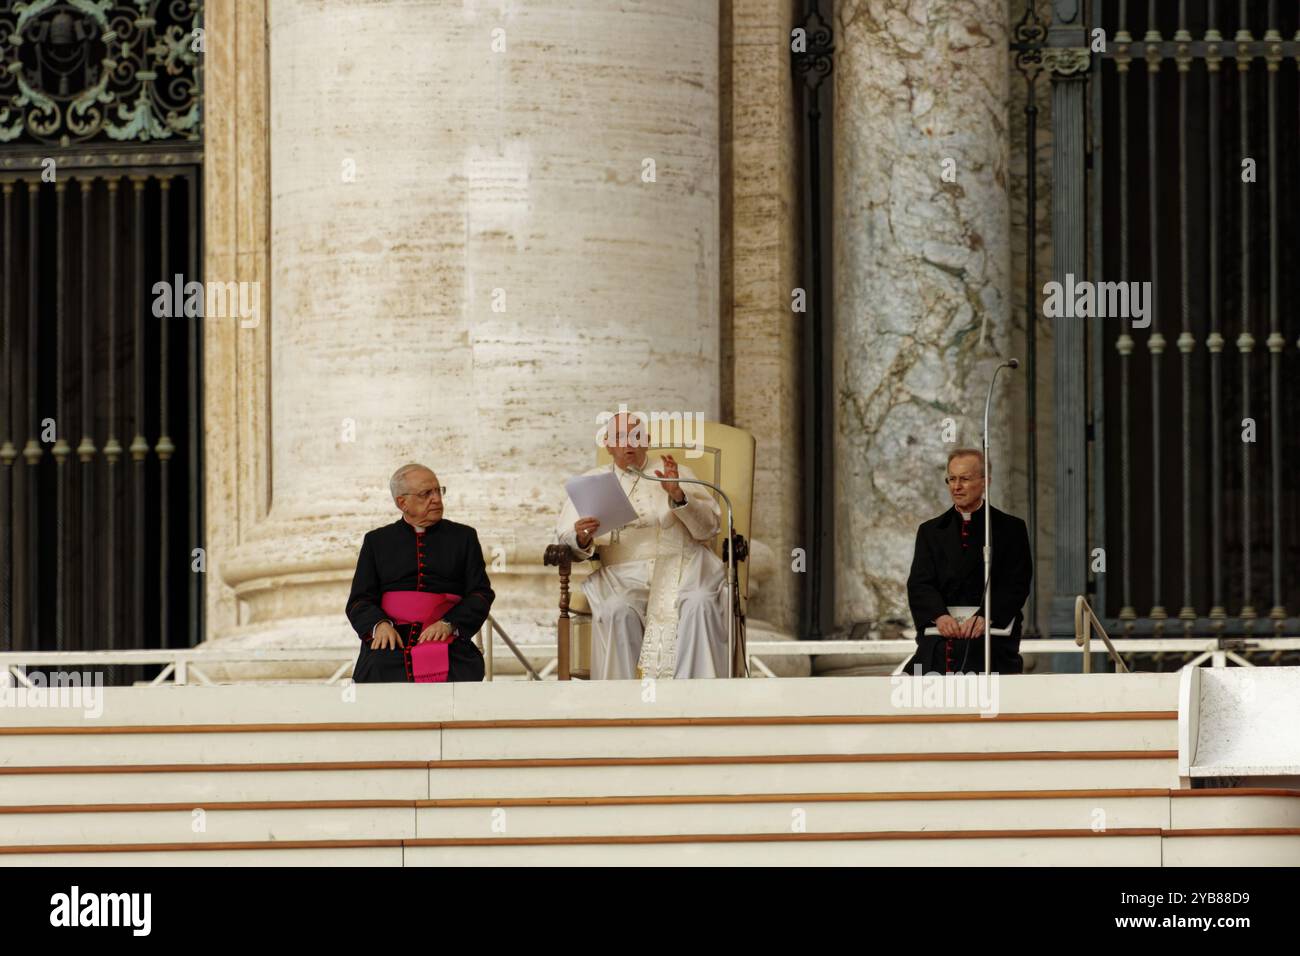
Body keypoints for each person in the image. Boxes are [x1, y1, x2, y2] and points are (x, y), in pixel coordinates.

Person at [555, 412, 727, 679]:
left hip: (684, 567)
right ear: (608, 444)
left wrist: (678, 496)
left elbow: (708, 528)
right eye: (621, 437)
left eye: (636, 436)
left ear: (646, 441)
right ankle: (621, 707)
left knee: (699, 602)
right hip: (623, 575)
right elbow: (567, 538)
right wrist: (581, 537)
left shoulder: (677, 473)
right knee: (616, 609)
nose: (629, 443)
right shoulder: (592, 482)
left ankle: (695, 700)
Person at [346, 464, 494, 682]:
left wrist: (449, 623)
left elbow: (480, 593)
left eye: (438, 491)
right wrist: (379, 625)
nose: (436, 498)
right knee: (378, 666)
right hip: (392, 639)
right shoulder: (377, 541)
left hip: (446, 636)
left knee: (459, 666)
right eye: (426, 493)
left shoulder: (463, 537)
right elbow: (359, 600)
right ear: (402, 503)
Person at [905, 448, 1032, 674]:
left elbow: (1017, 583)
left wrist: (987, 616)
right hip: (941, 635)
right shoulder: (930, 531)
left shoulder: (1010, 529)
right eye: (951, 479)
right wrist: (939, 615)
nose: (956, 486)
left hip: (989, 635)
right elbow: (920, 584)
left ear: (985, 482)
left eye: (964, 479)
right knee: (915, 677)